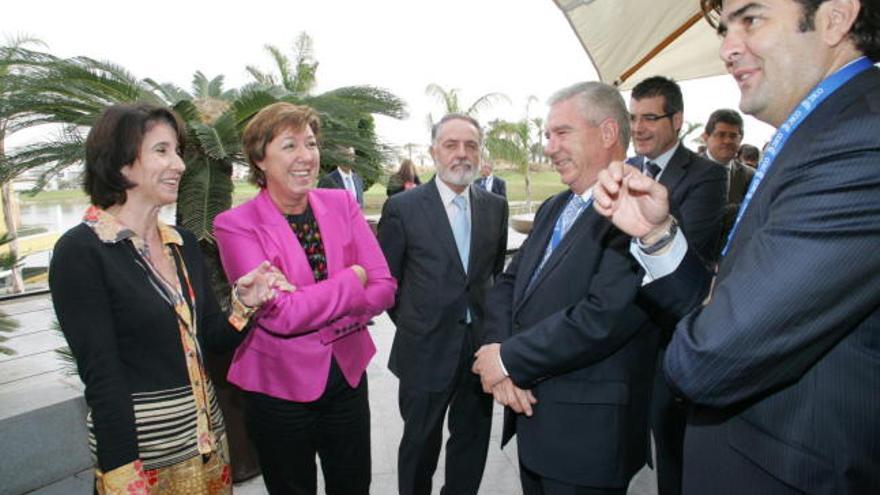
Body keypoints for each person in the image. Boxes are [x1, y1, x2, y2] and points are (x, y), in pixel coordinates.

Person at [593, 0, 880, 493]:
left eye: (751, 19)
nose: (727, 48)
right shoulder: (820, 131)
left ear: (835, 17)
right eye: (724, 27)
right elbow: (728, 304)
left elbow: (706, 360)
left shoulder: (861, 138)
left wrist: (700, 328)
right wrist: (657, 236)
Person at [49, 103, 285, 494]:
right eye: (162, 150)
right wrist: (123, 473)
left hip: (208, 452)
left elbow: (209, 338)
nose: (178, 164)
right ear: (121, 162)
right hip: (145, 464)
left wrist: (244, 306)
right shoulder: (82, 252)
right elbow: (102, 376)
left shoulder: (182, 244)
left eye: (177, 151)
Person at [472, 82, 656, 495]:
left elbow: (604, 315)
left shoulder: (640, 208)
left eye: (562, 133)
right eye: (547, 135)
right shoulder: (556, 205)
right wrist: (495, 349)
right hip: (533, 420)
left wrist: (507, 360)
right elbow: (510, 283)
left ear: (607, 133)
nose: (549, 147)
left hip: (587, 440)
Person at [213, 102, 397, 494]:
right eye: (290, 145)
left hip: (346, 377)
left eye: (310, 144)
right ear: (260, 159)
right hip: (277, 390)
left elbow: (384, 286)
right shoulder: (235, 226)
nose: (306, 157)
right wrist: (353, 278)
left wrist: (321, 299)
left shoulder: (341, 203)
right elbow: (282, 316)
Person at [377, 113, 509, 495]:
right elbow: (389, 282)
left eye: (471, 145)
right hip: (424, 350)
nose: (462, 154)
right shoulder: (403, 207)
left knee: (471, 442)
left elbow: (493, 275)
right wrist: (418, 323)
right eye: (451, 145)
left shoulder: (495, 206)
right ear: (434, 151)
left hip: (479, 351)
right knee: (419, 445)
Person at [628, 76, 727, 495]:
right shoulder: (624, 171)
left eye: (649, 118)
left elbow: (689, 248)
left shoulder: (705, 175)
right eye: (633, 118)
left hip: (671, 337)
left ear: (678, 120)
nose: (638, 129)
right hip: (623, 333)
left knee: (671, 449)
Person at [701, 108, 755, 248]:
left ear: (740, 139)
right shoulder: (685, 171)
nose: (727, 141)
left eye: (733, 136)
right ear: (706, 137)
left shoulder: (751, 176)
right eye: (721, 134)